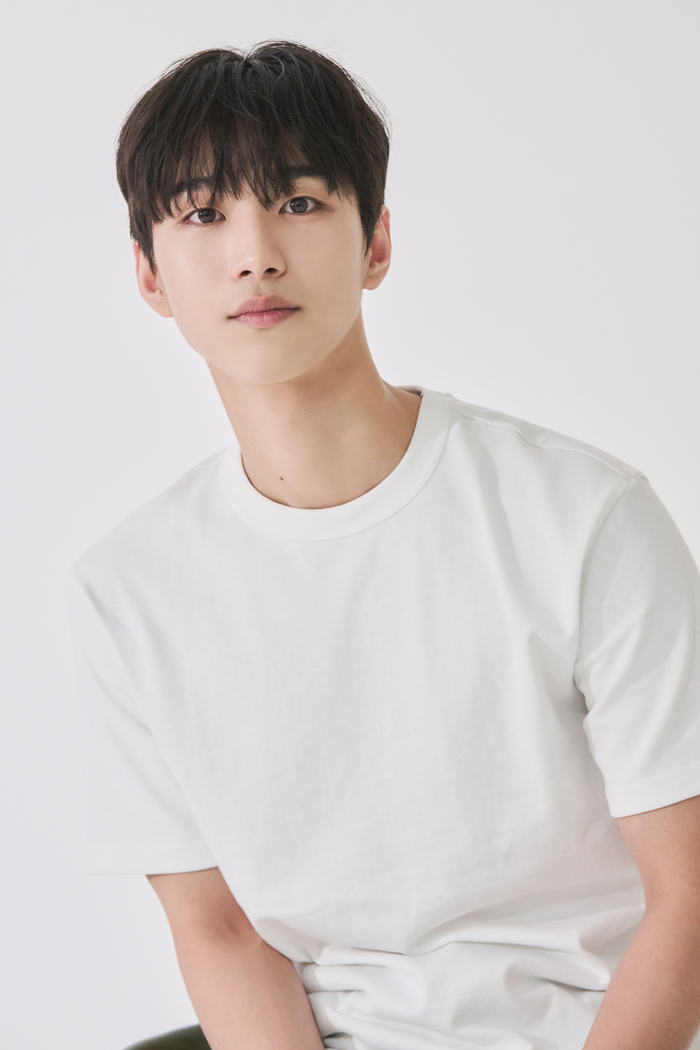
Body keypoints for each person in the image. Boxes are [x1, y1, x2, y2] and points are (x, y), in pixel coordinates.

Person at [67, 41, 700, 1050]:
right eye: (202, 214)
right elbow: (222, 932)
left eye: (299, 202)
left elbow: (690, 893)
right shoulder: (130, 590)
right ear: (149, 273)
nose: (254, 254)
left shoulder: (584, 517)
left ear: (377, 243)